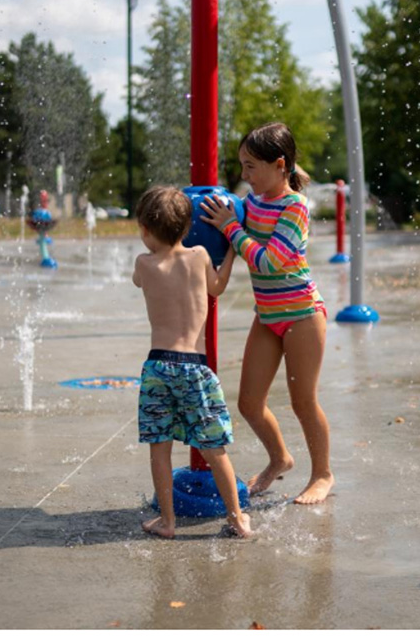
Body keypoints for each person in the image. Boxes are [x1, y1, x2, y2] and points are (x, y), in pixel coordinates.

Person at [199, 123, 333, 506]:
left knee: (303, 400)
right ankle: (280, 458)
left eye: (251, 166)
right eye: (241, 165)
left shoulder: (296, 208)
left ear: (280, 165)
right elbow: (231, 236)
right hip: (268, 316)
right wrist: (218, 225)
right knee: (248, 403)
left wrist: (231, 229)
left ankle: (322, 473)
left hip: (303, 316)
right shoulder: (251, 202)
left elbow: (270, 261)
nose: (243, 175)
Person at [132, 185, 251, 539]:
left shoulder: (143, 263)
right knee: (214, 448)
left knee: (160, 448)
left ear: (145, 230)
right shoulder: (199, 256)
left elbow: (139, 280)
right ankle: (237, 519)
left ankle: (168, 522)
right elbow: (217, 288)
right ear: (188, 229)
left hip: (157, 366)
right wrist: (229, 251)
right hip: (194, 367)